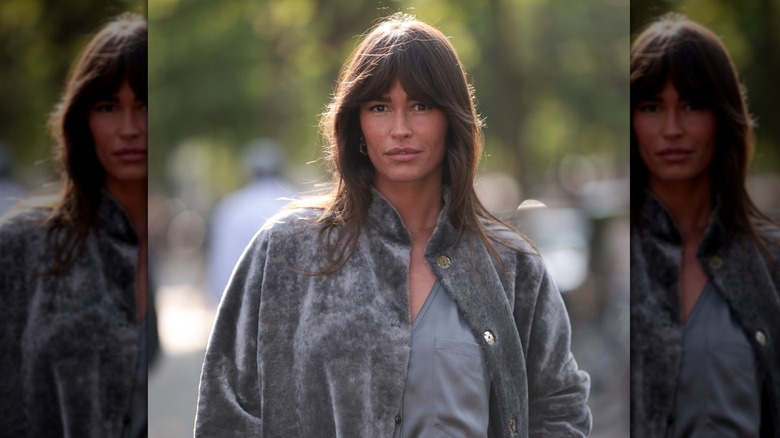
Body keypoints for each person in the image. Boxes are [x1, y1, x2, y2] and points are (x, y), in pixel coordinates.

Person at [195, 13, 590, 437]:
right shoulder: (286, 250)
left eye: (421, 106)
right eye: (380, 107)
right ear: (358, 126)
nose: (400, 129)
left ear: (451, 120)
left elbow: (558, 404)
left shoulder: (511, 265)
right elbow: (226, 411)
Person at [630, 13, 780, 437]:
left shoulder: (771, 263)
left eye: (693, 105)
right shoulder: (616, 267)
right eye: (651, 107)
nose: (672, 129)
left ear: (723, 117)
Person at [0, 13, 149, 437]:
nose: (129, 130)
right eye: (108, 107)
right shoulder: (22, 245)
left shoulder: (168, 249)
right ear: (82, 120)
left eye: (145, 105)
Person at [208, 138, 296, 305]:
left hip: (239, 304)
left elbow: (221, 268)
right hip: (288, 306)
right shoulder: (297, 202)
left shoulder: (230, 207)